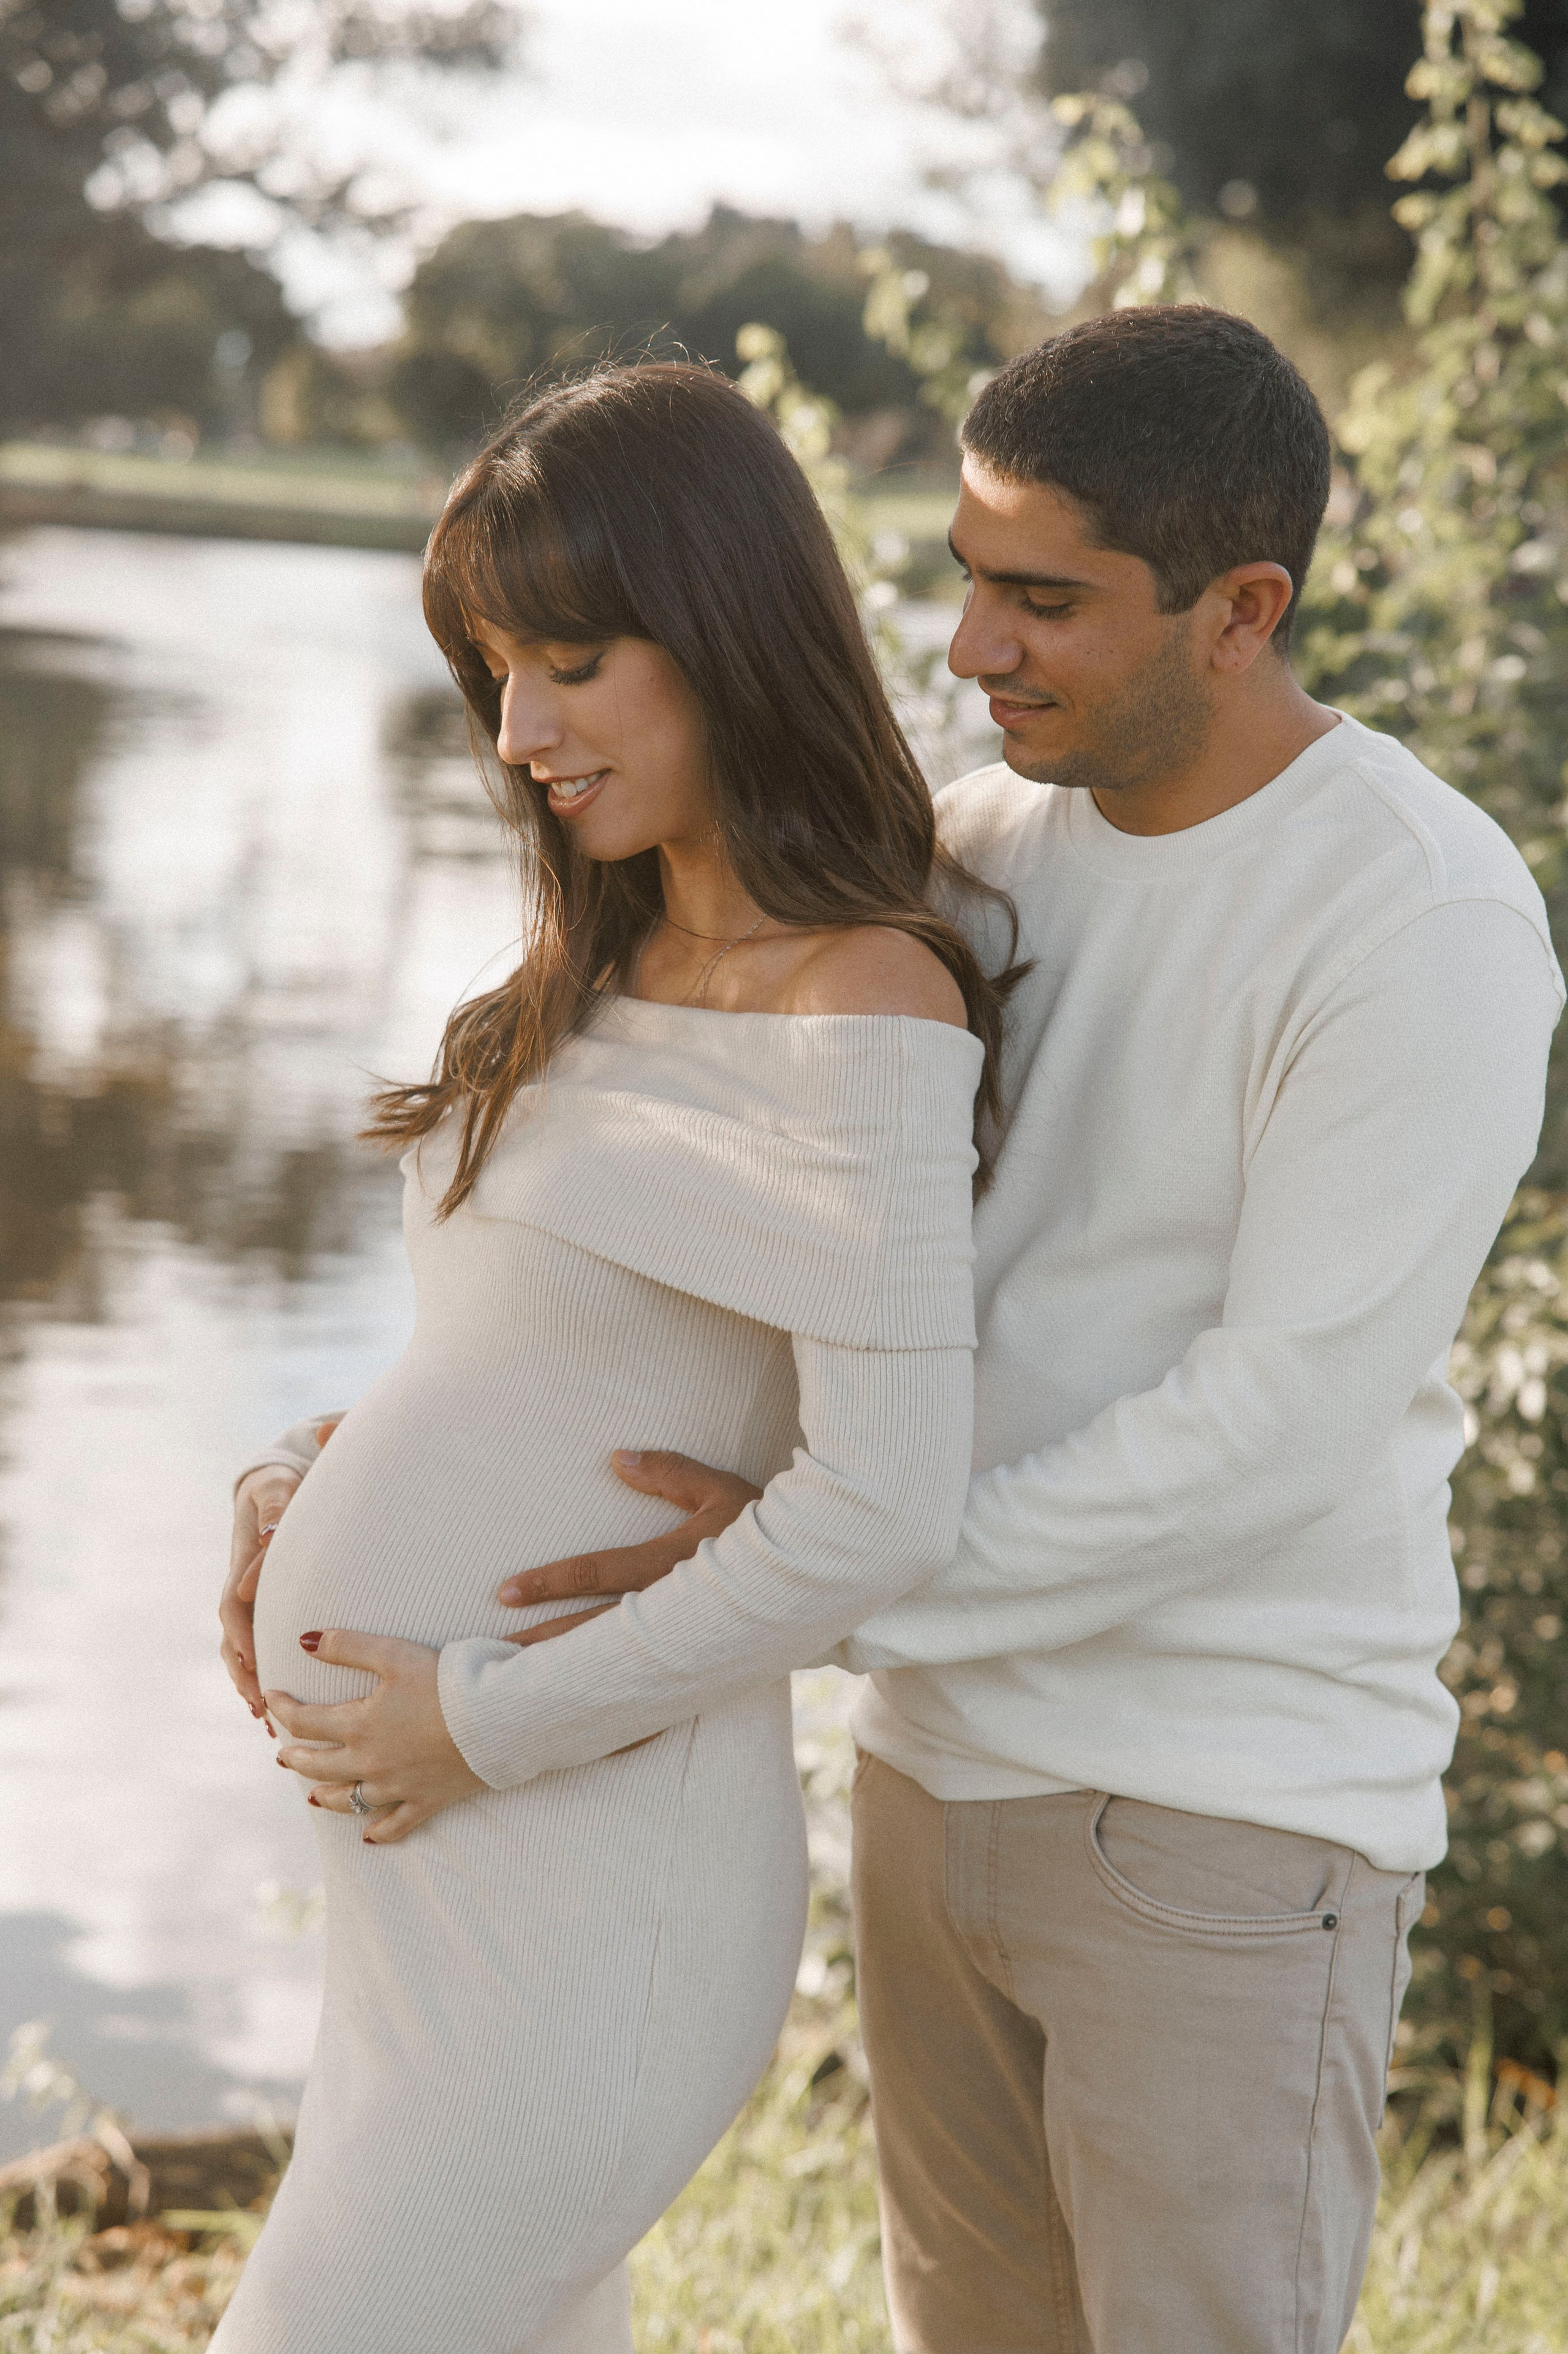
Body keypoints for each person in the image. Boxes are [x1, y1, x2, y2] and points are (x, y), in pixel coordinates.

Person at [411, 308, 1558, 2352]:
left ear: (1243, 608)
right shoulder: (968, 856)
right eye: (964, 574)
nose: (969, 647)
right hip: (932, 1783)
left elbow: (1276, 1421)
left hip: (1220, 1821)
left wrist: (830, 1576)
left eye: (1045, 599)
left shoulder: (1418, 917)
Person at [213, 358, 1018, 2354]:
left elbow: (884, 1503)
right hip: (439, 1886)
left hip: (588, 1871)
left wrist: (476, 1717)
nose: (518, 729)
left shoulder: (872, 996)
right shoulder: (589, 964)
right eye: (497, 668)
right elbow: (537, 1361)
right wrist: (307, 1477)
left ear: (728, 631)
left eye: (569, 659)